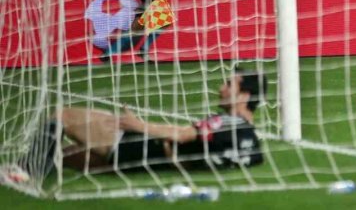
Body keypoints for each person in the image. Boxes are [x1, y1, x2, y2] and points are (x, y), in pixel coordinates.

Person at [15, 69, 264, 183]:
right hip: (146, 166)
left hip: (140, 147)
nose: (221, 88)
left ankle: (23, 172)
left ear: (244, 96)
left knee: (64, 115)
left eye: (229, 84)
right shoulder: (252, 143)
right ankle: (35, 167)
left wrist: (138, 125)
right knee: (63, 156)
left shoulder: (225, 122)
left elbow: (182, 135)